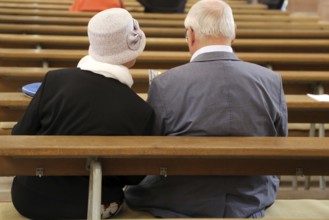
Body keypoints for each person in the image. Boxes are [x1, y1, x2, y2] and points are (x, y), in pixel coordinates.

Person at [125, 0, 287, 218]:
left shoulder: (165, 84)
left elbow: (153, 149)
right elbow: (279, 142)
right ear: (233, 33)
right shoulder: (270, 81)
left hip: (180, 198)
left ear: (190, 34)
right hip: (251, 195)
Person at [11, 8, 154, 219]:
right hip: (93, 205)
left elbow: (19, 135)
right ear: (132, 52)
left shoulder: (54, 80)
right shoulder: (140, 111)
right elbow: (134, 176)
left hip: (28, 196)